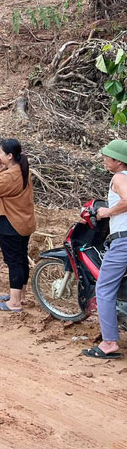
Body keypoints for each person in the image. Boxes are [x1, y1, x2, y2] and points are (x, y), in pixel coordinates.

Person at [83, 139, 127, 360]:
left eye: (107, 157)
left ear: (118, 161)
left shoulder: (119, 178)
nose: (104, 160)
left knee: (104, 289)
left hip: (124, 241)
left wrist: (106, 212)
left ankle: (109, 343)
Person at [0, 139, 36, 311]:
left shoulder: (9, 176)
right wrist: (0, 170)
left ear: (10, 155)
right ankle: (20, 296)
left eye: (0, 153)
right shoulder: (22, 170)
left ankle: (13, 303)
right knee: (21, 259)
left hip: (10, 222)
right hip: (24, 221)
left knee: (13, 261)